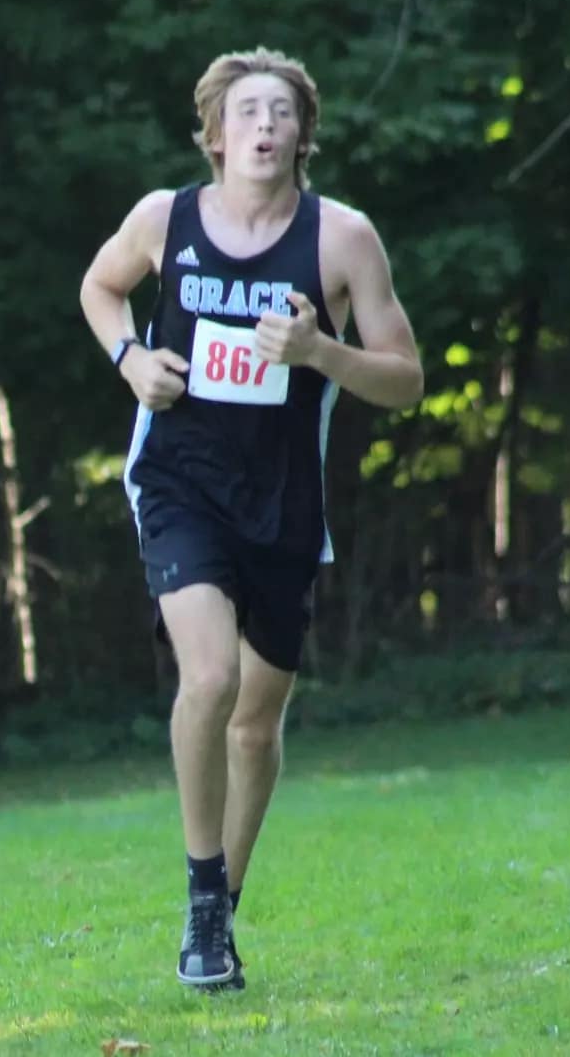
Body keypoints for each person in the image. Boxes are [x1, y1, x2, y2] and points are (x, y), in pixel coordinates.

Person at [78, 49, 424, 989]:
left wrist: (321, 351)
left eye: (281, 112)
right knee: (213, 675)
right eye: (246, 111)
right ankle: (199, 892)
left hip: (283, 502)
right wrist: (129, 360)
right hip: (179, 482)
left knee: (258, 723)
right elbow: (99, 287)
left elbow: (406, 379)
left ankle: (220, 912)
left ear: (303, 135)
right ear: (216, 134)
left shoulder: (343, 238)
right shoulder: (166, 218)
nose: (264, 126)